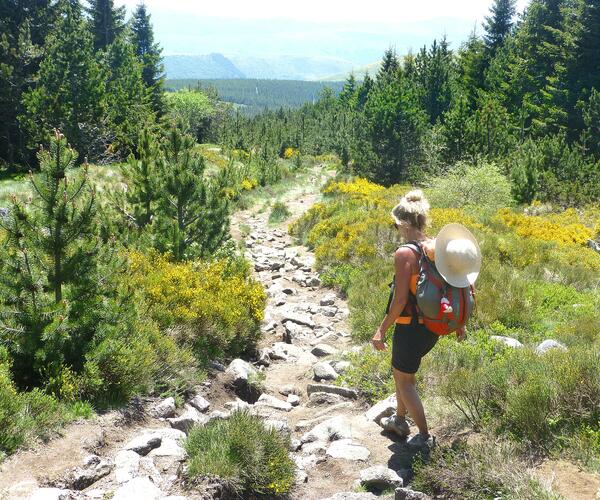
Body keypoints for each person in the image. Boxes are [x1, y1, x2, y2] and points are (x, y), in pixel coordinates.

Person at [371, 189, 477, 449]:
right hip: (432, 326)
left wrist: (381, 330)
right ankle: (398, 419)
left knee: (405, 381)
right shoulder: (434, 248)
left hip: (410, 327)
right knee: (402, 373)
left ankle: (425, 437)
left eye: (396, 225)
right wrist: (459, 323)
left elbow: (399, 301)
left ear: (402, 224)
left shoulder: (405, 253)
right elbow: (456, 283)